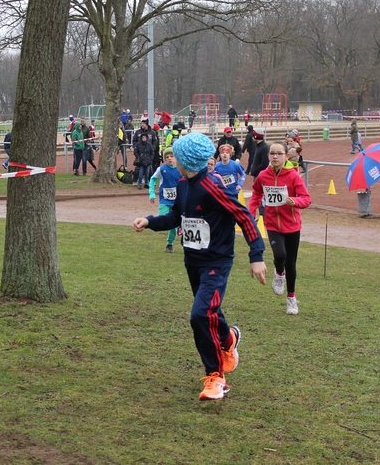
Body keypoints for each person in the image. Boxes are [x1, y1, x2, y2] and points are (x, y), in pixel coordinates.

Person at [132, 132, 267, 401]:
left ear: (185, 160)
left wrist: (257, 255)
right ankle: (228, 338)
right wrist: (150, 221)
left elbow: (244, 216)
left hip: (216, 262)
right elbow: (176, 216)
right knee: (208, 311)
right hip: (192, 262)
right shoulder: (183, 184)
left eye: (177, 156)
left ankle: (216, 377)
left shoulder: (213, 186)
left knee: (200, 315)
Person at [249, 142, 311, 315]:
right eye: (272, 153)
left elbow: (306, 199)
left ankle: (291, 298)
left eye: (279, 153)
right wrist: (251, 211)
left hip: (292, 225)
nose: (275, 156)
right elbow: (256, 193)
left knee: (291, 263)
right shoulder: (263, 175)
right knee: (280, 255)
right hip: (272, 224)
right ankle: (279, 273)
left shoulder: (293, 176)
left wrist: (295, 201)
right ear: (268, 155)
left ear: (286, 156)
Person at [148, 147, 182, 252]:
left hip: (177, 201)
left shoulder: (181, 169)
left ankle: (169, 244)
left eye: (172, 156)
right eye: (167, 157)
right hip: (165, 200)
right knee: (163, 219)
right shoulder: (161, 169)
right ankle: (180, 225)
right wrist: (152, 194)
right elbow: (152, 180)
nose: (169, 158)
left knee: (173, 225)